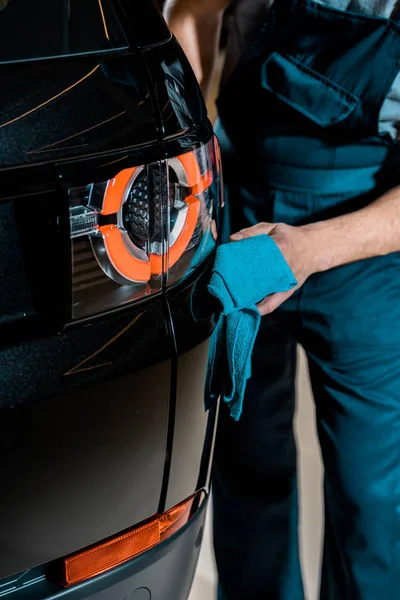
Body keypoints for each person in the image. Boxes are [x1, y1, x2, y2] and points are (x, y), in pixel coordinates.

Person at [164, 1, 400, 598]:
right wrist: (183, 152)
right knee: (245, 465)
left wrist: (310, 249)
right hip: (240, 207)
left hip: (366, 243)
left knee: (373, 498)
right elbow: (193, 15)